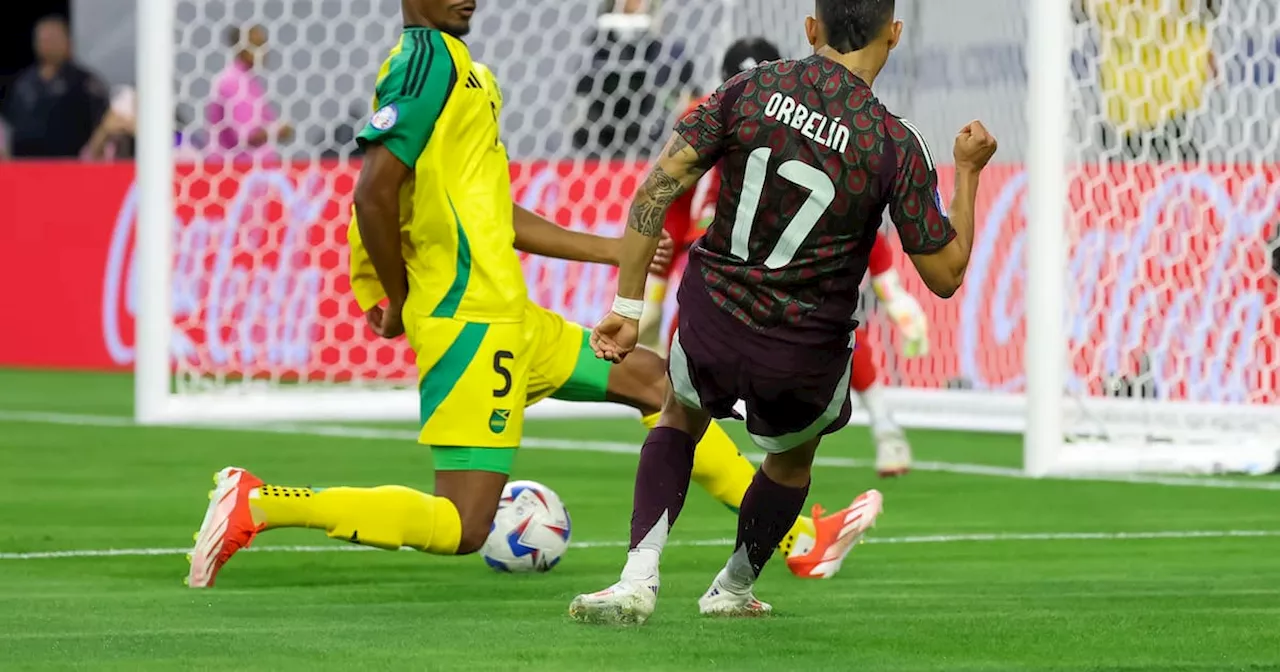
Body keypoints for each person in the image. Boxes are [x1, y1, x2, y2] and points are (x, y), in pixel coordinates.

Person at [185, 0, 823, 589]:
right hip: (469, 320)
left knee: (657, 384)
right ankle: (261, 502)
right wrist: (394, 291)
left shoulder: (468, 75)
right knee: (464, 525)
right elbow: (373, 191)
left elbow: (496, 213)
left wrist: (612, 248)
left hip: (509, 315)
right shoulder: (425, 60)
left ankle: (794, 535)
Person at [570, 0, 996, 624]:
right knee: (792, 459)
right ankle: (732, 589)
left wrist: (628, 307)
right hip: (802, 346)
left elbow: (659, 186)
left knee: (679, 414)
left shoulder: (751, 87)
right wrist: (967, 173)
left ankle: (637, 580)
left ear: (811, 28)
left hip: (715, 313)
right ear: (894, 35)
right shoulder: (894, 142)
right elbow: (946, 274)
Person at [644, 36, 926, 477]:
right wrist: (654, 296)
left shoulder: (823, 125)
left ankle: (886, 427)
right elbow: (672, 203)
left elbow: (849, 213)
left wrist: (891, 290)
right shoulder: (714, 112)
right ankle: (697, 450)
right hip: (726, 252)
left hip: (789, 260)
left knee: (832, 333)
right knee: (690, 341)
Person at [573, 0, 697, 159]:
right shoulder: (595, 51)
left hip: (653, 146)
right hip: (601, 145)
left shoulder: (670, 55)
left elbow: (690, 98)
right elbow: (581, 94)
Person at [0, 16, 109, 158]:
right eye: (43, 39)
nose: (47, 44)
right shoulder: (24, 82)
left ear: (68, 42)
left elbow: (103, 125)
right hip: (25, 166)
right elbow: (10, 125)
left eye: (52, 39)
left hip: (70, 166)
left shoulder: (84, 83)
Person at [206, 24, 292, 163]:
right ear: (242, 48)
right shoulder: (232, 83)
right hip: (234, 171)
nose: (264, 51)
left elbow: (265, 121)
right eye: (257, 45)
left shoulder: (250, 82)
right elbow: (246, 136)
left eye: (264, 45)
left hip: (253, 172)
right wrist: (277, 130)